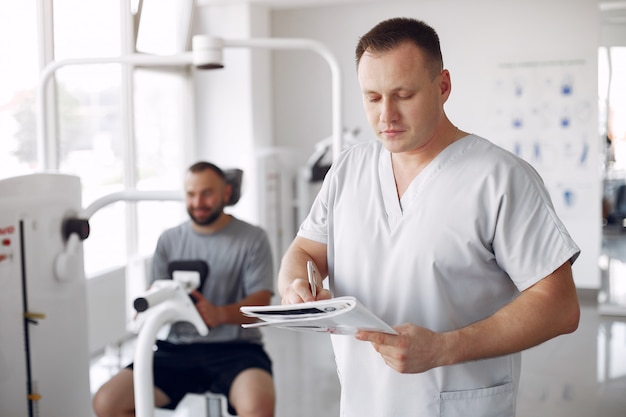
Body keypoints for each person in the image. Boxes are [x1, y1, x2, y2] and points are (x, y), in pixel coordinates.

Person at [278, 17, 580, 417]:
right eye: (372, 97)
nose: (386, 115)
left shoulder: (499, 178)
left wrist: (444, 347)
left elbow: (559, 306)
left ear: (443, 87)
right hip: (363, 402)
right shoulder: (349, 169)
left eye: (403, 95)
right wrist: (296, 284)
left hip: (457, 405)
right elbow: (305, 250)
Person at [93, 161, 275, 417]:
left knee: (258, 408)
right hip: (177, 350)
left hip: (236, 349)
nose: (198, 202)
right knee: (106, 402)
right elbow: (156, 290)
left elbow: (262, 303)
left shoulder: (253, 238)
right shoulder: (169, 240)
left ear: (225, 193)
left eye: (207, 193)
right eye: (191, 194)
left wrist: (220, 314)